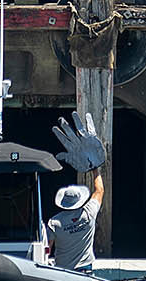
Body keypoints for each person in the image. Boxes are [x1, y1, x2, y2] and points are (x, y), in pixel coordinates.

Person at [44, 112, 108, 271]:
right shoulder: (88, 213)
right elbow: (99, 190)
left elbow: (47, 250)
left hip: (64, 272)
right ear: (80, 200)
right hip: (86, 269)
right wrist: (94, 167)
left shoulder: (54, 223)